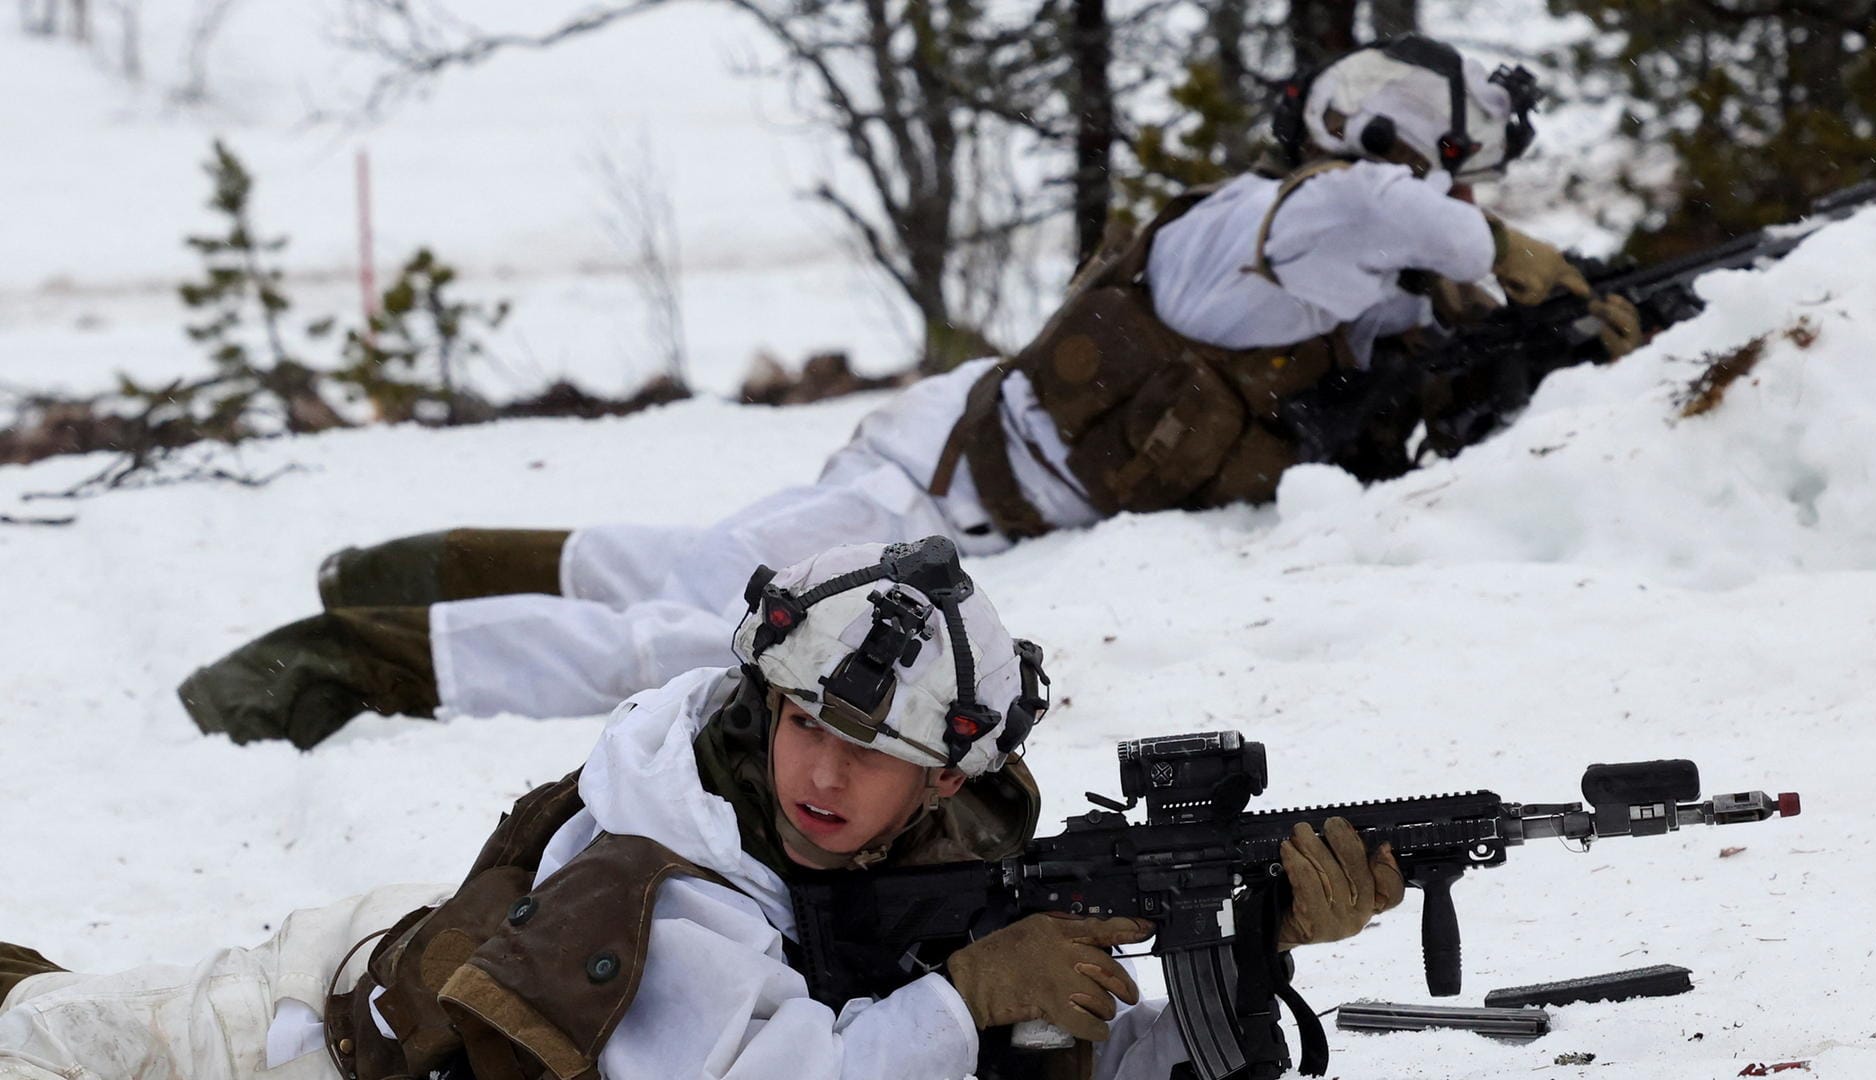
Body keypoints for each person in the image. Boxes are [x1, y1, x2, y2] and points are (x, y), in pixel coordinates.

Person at [178, 34, 1644, 747]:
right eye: (1458, 164)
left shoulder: (1321, 263)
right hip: (931, 488)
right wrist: (1539, 271)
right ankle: (340, 666)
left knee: (674, 570)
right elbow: (1423, 234)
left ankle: (394, 576)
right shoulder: (1293, 223)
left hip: (948, 474)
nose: (1462, 197)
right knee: (702, 639)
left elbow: (1410, 316)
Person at [3, 538, 1405, 1080]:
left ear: (948, 778)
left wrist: (1245, 946)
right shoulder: (670, 849)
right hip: (303, 1037)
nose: (824, 776)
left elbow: (1045, 1036)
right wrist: (966, 996)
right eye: (807, 723)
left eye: (875, 757)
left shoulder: (952, 853)